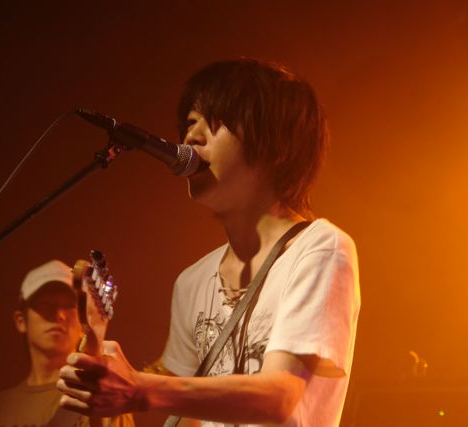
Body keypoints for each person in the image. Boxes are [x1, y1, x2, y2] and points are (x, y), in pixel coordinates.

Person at [58, 58, 360, 426]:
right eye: (189, 123)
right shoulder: (192, 282)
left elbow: (281, 398)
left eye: (214, 120)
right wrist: (97, 380)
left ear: (275, 142)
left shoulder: (320, 248)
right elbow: (184, 414)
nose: (190, 137)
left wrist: (137, 388)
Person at [0, 259, 133, 427]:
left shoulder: (107, 396)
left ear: (82, 321)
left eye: (69, 306)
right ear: (21, 320)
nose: (59, 315)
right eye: (46, 306)